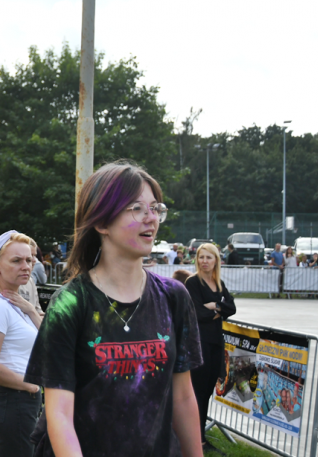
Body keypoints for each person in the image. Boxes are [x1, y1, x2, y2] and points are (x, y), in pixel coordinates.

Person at [24, 162, 203, 457]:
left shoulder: (174, 297)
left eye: (155, 208)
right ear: (102, 223)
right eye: (136, 208)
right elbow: (59, 415)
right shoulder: (70, 303)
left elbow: (183, 398)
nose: (151, 218)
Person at [0, 231, 42, 457]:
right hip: (10, 399)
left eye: (29, 260)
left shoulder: (14, 303)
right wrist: (29, 386)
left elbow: (50, 343)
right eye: (16, 261)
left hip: (19, 399)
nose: (26, 266)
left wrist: (32, 310)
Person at [184, 243, 236, 453]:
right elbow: (196, 313)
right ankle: (193, 439)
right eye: (201, 257)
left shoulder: (218, 283)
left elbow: (231, 308)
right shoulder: (192, 283)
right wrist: (219, 310)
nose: (204, 261)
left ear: (216, 260)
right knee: (195, 393)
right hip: (198, 344)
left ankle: (200, 437)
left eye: (209, 257)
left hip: (216, 343)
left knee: (206, 393)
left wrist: (215, 307)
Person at [17, 239, 44, 314]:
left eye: (35, 255)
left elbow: (38, 311)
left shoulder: (31, 281)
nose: (34, 260)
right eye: (30, 255)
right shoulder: (11, 281)